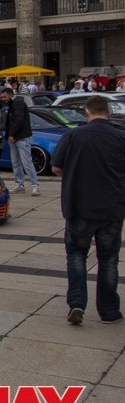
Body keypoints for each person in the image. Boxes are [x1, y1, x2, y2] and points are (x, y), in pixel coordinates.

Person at [52, 96, 125, 325]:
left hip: (79, 206)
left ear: (87, 113)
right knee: (109, 259)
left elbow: (56, 167)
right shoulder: (121, 136)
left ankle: (76, 303)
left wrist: (74, 177)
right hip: (112, 208)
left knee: (76, 255)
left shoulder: (73, 136)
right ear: (108, 113)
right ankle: (109, 311)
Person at [0, 86, 39, 195]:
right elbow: (11, 121)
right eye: (2, 97)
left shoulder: (18, 103)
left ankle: (35, 185)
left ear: (11, 95)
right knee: (16, 162)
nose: (3, 99)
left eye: (4, 97)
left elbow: (18, 120)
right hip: (14, 137)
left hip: (22, 137)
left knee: (26, 162)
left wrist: (11, 134)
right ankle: (19, 184)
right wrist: (9, 135)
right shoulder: (12, 105)